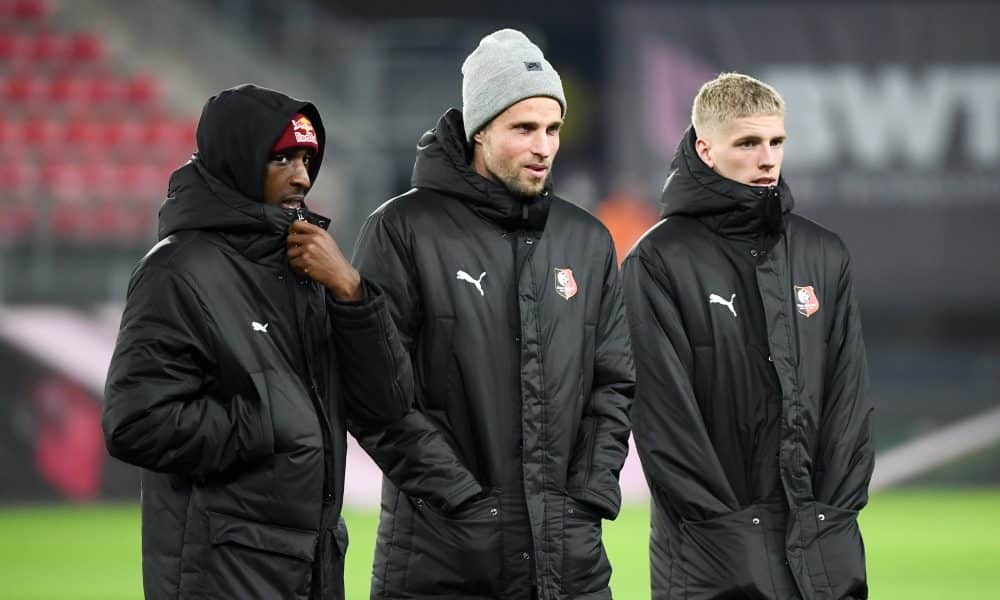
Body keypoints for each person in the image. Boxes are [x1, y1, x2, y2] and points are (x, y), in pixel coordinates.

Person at [350, 29, 634, 599]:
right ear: (480, 129)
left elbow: (613, 384)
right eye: (523, 128)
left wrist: (589, 495)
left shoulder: (588, 239)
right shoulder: (401, 230)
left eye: (552, 128)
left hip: (569, 561)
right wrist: (463, 502)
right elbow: (376, 395)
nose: (544, 146)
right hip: (441, 562)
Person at [102, 84, 413, 600]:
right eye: (282, 159)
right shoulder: (176, 270)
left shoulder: (308, 264)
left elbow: (387, 403)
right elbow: (135, 422)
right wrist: (261, 423)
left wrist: (352, 293)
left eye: (307, 159)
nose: (302, 176)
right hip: (222, 575)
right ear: (239, 160)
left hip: (312, 566)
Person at [623, 72, 874, 599]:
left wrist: (832, 512)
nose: (767, 159)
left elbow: (849, 401)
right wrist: (730, 531)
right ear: (705, 148)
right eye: (748, 143)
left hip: (823, 546)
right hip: (713, 554)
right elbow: (666, 424)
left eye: (776, 142)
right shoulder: (658, 261)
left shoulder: (823, 254)